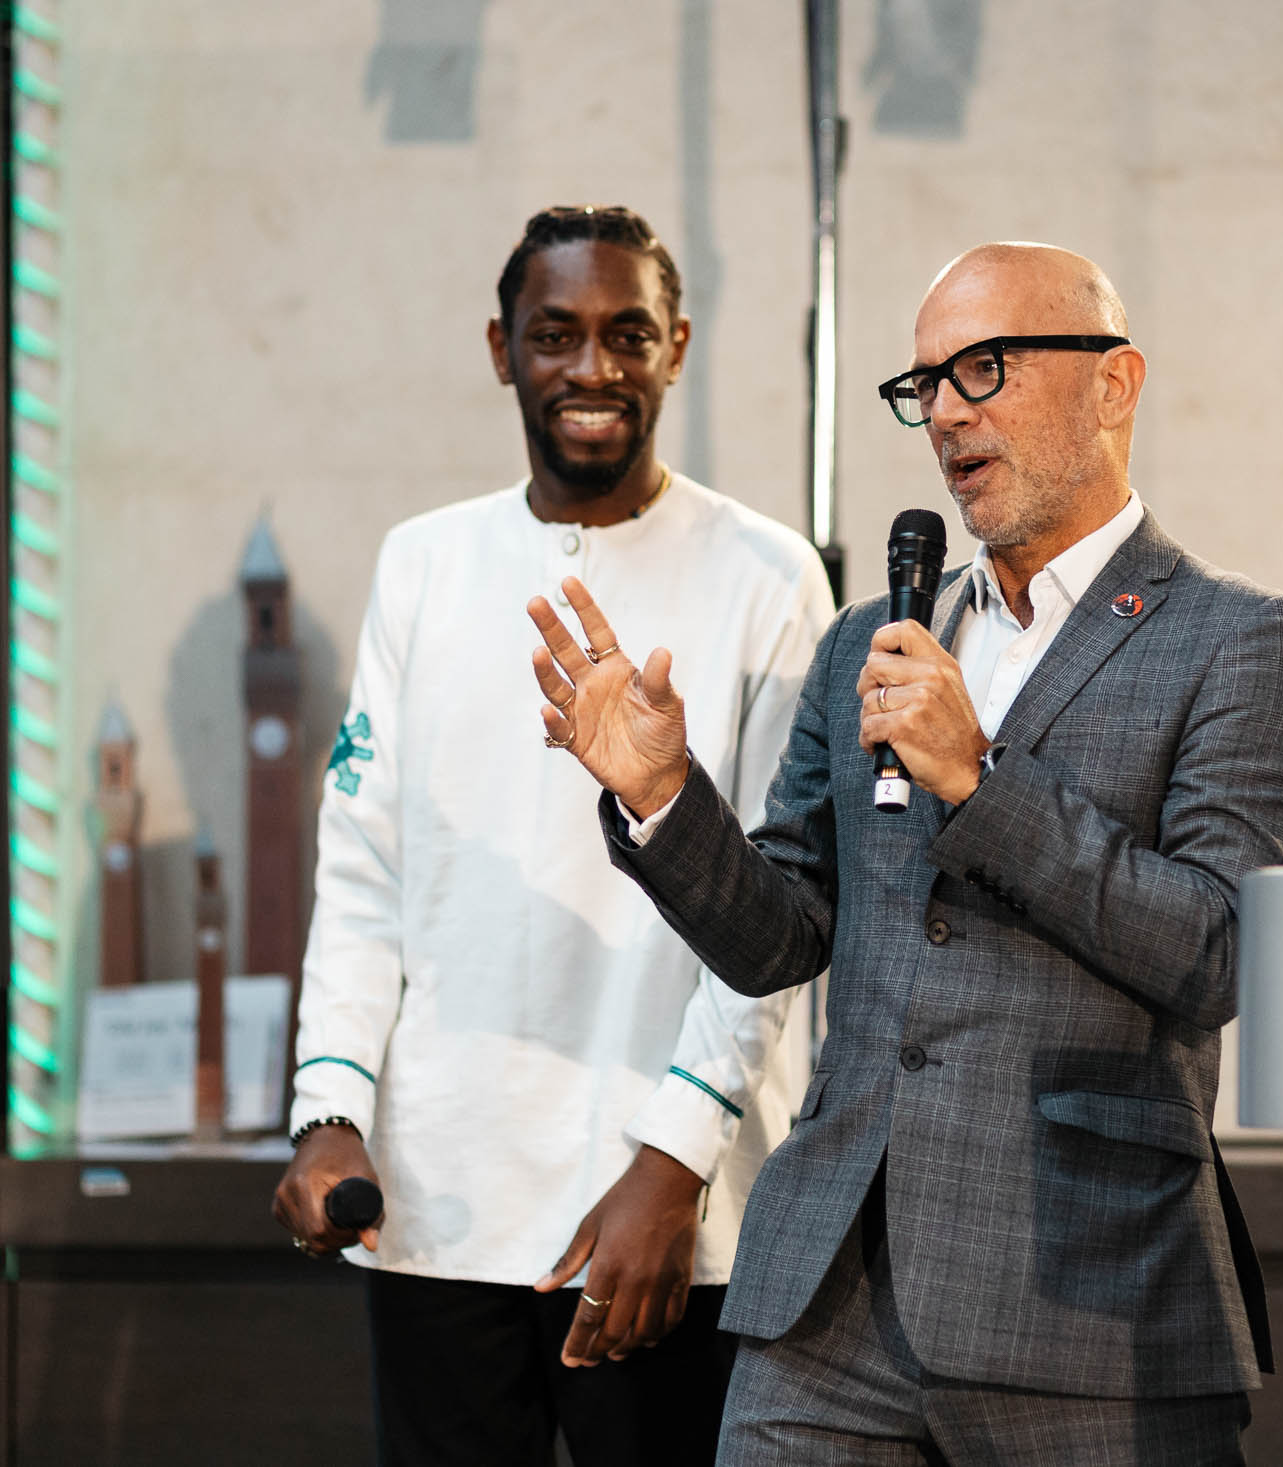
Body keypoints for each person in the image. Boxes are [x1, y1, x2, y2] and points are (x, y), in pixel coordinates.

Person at [528, 243, 1283, 1465]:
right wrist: (662, 799)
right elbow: (779, 938)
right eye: (925, 385)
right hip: (826, 1301)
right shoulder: (873, 637)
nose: (948, 413)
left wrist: (982, 783)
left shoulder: (1243, 641)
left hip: (1085, 1299)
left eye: (984, 368)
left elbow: (1220, 952)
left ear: (1113, 383)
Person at [272, 205, 836, 1467]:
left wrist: (675, 1162)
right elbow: (363, 872)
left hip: (662, 1212)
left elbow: (785, 910)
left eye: (627, 334)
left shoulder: (771, 576)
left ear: (675, 347)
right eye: (555, 335)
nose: (593, 368)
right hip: (437, 1199)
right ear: (501, 349)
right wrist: (328, 1108)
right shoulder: (422, 564)